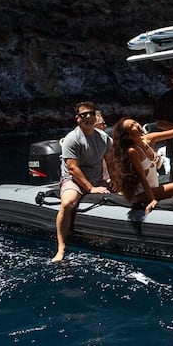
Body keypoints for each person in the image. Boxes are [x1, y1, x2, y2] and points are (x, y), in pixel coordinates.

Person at [52, 101, 116, 261]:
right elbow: (73, 168)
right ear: (77, 118)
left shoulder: (104, 138)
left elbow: (110, 162)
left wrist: (115, 179)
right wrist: (90, 188)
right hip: (74, 180)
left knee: (124, 195)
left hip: (97, 178)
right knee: (67, 203)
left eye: (91, 113)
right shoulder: (72, 139)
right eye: (83, 115)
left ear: (95, 116)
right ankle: (61, 247)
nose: (88, 117)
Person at [108, 116, 173, 212]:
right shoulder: (132, 151)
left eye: (135, 122)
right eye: (132, 126)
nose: (137, 125)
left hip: (154, 188)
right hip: (142, 193)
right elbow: (142, 177)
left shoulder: (149, 139)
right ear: (128, 136)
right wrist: (152, 199)